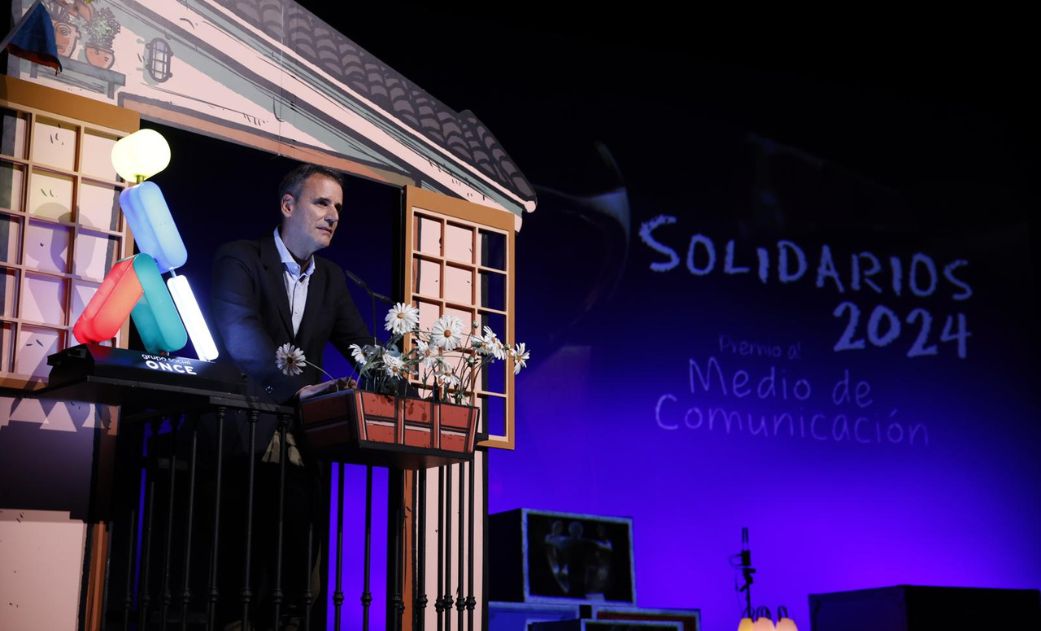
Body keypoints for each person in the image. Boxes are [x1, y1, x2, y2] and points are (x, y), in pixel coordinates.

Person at [209, 163, 371, 628]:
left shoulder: (332, 279)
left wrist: (400, 379)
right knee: (240, 579)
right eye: (322, 203)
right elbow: (243, 339)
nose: (334, 215)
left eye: (338, 207)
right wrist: (304, 390)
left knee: (298, 582)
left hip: (304, 449)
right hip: (241, 440)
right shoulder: (239, 257)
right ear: (287, 206)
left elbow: (360, 347)